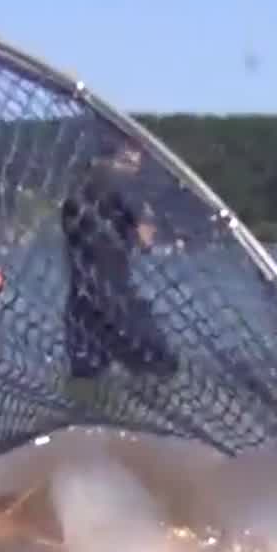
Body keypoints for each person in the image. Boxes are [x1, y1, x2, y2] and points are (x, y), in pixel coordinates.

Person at [61, 146, 173, 398]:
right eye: (124, 162)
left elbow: (145, 241)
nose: (131, 170)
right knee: (156, 370)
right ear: (102, 160)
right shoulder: (93, 198)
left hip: (96, 304)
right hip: (102, 304)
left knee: (93, 383)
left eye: (135, 165)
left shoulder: (90, 198)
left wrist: (141, 216)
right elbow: (145, 241)